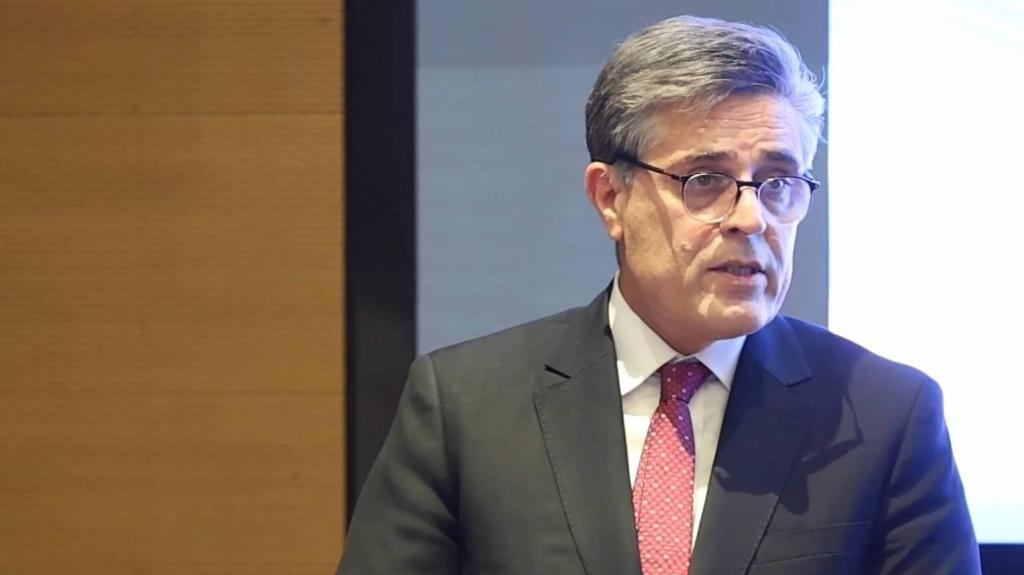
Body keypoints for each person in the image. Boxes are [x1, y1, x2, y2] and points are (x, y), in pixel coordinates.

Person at [337, 15, 980, 575]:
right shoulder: (465, 406)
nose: (752, 218)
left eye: (778, 183)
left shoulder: (886, 416)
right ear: (610, 198)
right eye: (706, 180)